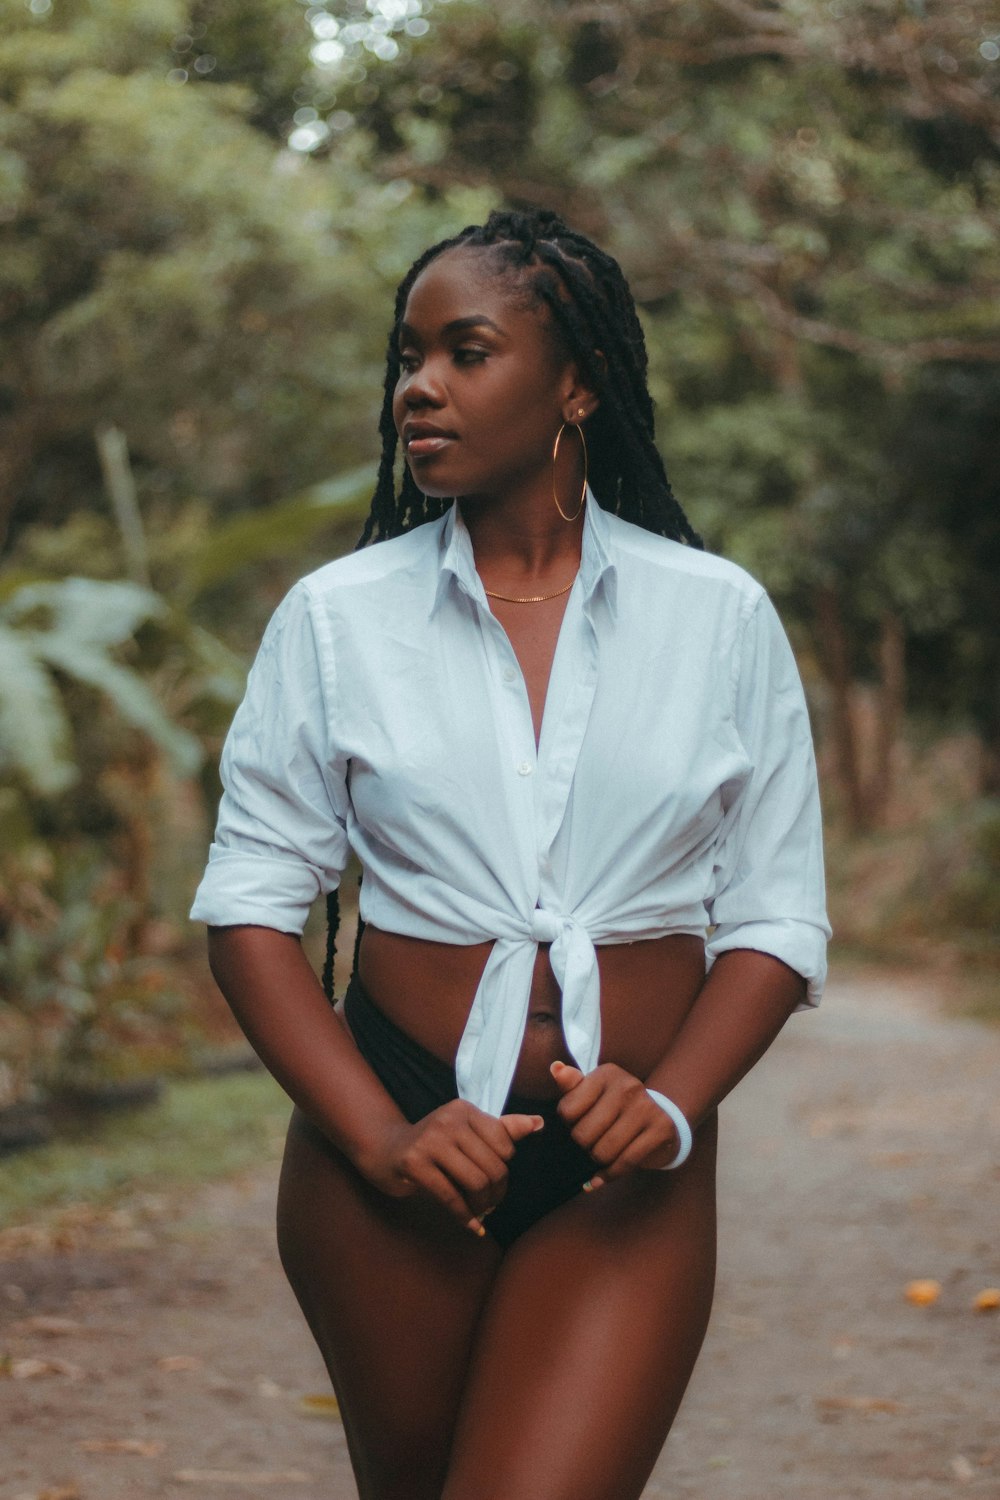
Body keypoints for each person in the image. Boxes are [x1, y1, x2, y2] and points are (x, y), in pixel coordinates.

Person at [190, 208, 830, 1500]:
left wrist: (666, 1105)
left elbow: (775, 914)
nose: (417, 388)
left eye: (465, 352)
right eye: (408, 356)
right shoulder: (337, 621)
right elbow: (253, 906)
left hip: (626, 1174)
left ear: (576, 384)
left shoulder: (716, 618)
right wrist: (378, 1137)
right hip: (392, 1149)